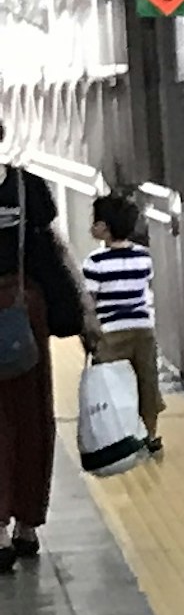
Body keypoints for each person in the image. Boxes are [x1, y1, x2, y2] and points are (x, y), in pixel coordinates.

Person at [0, 163, 84, 566]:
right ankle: (26, 526)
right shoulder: (26, 185)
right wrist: (85, 307)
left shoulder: (27, 184)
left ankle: (0, 531)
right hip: (24, 313)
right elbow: (56, 248)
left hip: (21, 314)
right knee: (33, 418)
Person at [83, 186, 158, 472]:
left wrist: (88, 332)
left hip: (110, 332)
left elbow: (90, 301)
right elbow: (145, 287)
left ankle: (115, 436)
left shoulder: (95, 263)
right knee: (146, 384)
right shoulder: (144, 257)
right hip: (142, 329)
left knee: (112, 386)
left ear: (103, 228)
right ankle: (150, 435)